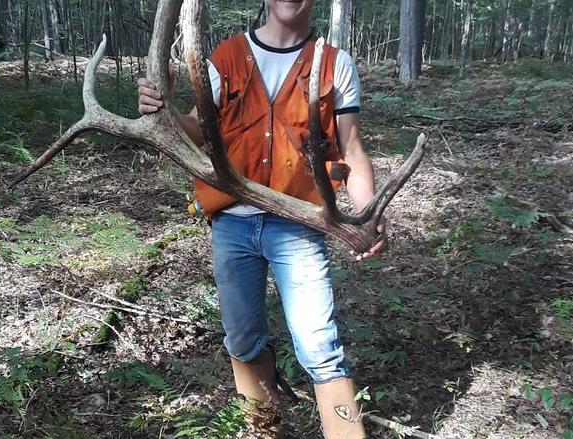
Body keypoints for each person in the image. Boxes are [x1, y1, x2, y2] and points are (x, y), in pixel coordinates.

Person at [137, 1, 386, 437]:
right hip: (232, 224)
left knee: (319, 346)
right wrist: (164, 109)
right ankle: (262, 429)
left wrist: (367, 213)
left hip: (300, 224)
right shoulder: (226, 57)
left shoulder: (334, 64)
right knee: (242, 339)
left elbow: (352, 150)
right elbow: (198, 129)